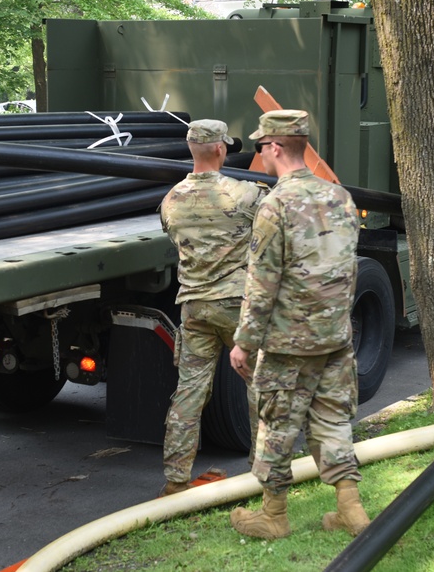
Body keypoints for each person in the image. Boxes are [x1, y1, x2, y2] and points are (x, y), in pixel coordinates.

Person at [227, 109, 370, 539]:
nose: (260, 155)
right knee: (332, 420)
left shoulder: (275, 205)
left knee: (276, 424)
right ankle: (351, 509)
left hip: (289, 340)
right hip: (335, 337)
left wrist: (244, 343)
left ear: (274, 148)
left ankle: (273, 515)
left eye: (259, 147)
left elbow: (262, 282)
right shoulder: (340, 197)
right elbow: (346, 268)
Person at [158, 119, 264, 497]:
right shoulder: (245, 194)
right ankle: (262, 474)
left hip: (194, 306)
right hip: (237, 306)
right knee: (259, 388)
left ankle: (175, 479)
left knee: (189, 392)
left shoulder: (171, 200)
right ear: (221, 148)